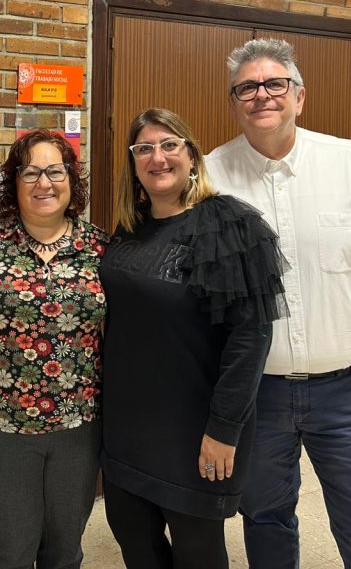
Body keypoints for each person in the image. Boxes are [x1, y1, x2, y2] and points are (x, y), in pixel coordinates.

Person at [204, 38, 351, 569]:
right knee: (265, 518)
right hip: (257, 394)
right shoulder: (211, 178)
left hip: (346, 391)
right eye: (247, 88)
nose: (262, 95)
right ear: (234, 104)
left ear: (299, 96)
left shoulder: (350, 164)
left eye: (275, 84)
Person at [100, 108, 286, 569]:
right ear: (133, 163)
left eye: (169, 145)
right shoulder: (130, 228)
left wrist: (223, 430)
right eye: (144, 148)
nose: (158, 157)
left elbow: (250, 338)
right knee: (133, 538)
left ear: (191, 155)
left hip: (194, 429)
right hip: (127, 426)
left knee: (197, 550)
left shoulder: (229, 226)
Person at [0, 129, 108, 569]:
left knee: (64, 550)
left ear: (72, 179)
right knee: (10, 551)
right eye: (30, 173)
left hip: (78, 425)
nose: (43, 183)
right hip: (2, 425)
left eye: (55, 171)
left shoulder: (100, 248)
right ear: (13, 182)